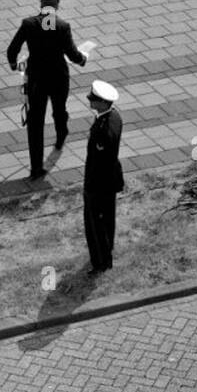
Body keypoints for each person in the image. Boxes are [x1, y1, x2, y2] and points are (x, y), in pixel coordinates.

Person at [6, 0, 88, 179]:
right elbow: (72, 53)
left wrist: (14, 65)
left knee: (35, 123)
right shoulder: (62, 26)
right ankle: (61, 135)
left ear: (41, 6)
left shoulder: (28, 24)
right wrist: (82, 59)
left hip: (36, 80)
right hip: (59, 77)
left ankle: (36, 169)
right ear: (56, 7)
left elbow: (12, 49)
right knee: (59, 110)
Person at [83, 80, 124, 274]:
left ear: (102, 102)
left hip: (99, 183)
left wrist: (90, 186)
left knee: (95, 224)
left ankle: (101, 261)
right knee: (108, 218)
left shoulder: (103, 131)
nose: (89, 100)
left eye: (93, 98)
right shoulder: (114, 116)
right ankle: (108, 248)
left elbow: (98, 162)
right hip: (110, 179)